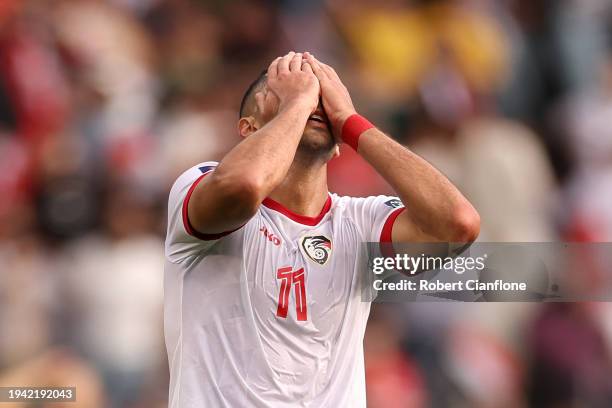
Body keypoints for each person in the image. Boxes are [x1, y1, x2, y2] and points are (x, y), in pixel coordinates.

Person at [163, 51, 480, 407]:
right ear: (248, 130)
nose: (311, 98)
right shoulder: (199, 184)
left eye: (319, 97)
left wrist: (351, 121)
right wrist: (297, 106)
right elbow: (246, 185)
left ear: (338, 148)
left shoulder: (360, 223)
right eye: (282, 88)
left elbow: (458, 225)